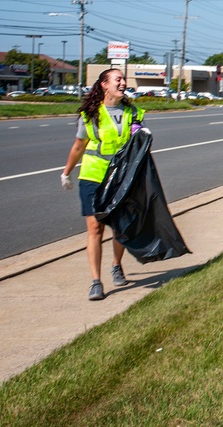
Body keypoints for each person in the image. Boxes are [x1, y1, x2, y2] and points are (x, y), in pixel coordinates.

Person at [61, 68, 145, 301]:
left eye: (123, 80)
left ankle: (116, 265)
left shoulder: (132, 112)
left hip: (120, 176)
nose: (123, 83)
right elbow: (79, 146)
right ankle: (96, 281)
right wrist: (66, 172)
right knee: (95, 228)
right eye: (118, 79)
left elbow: (139, 145)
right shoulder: (90, 115)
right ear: (104, 85)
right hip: (92, 176)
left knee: (120, 226)